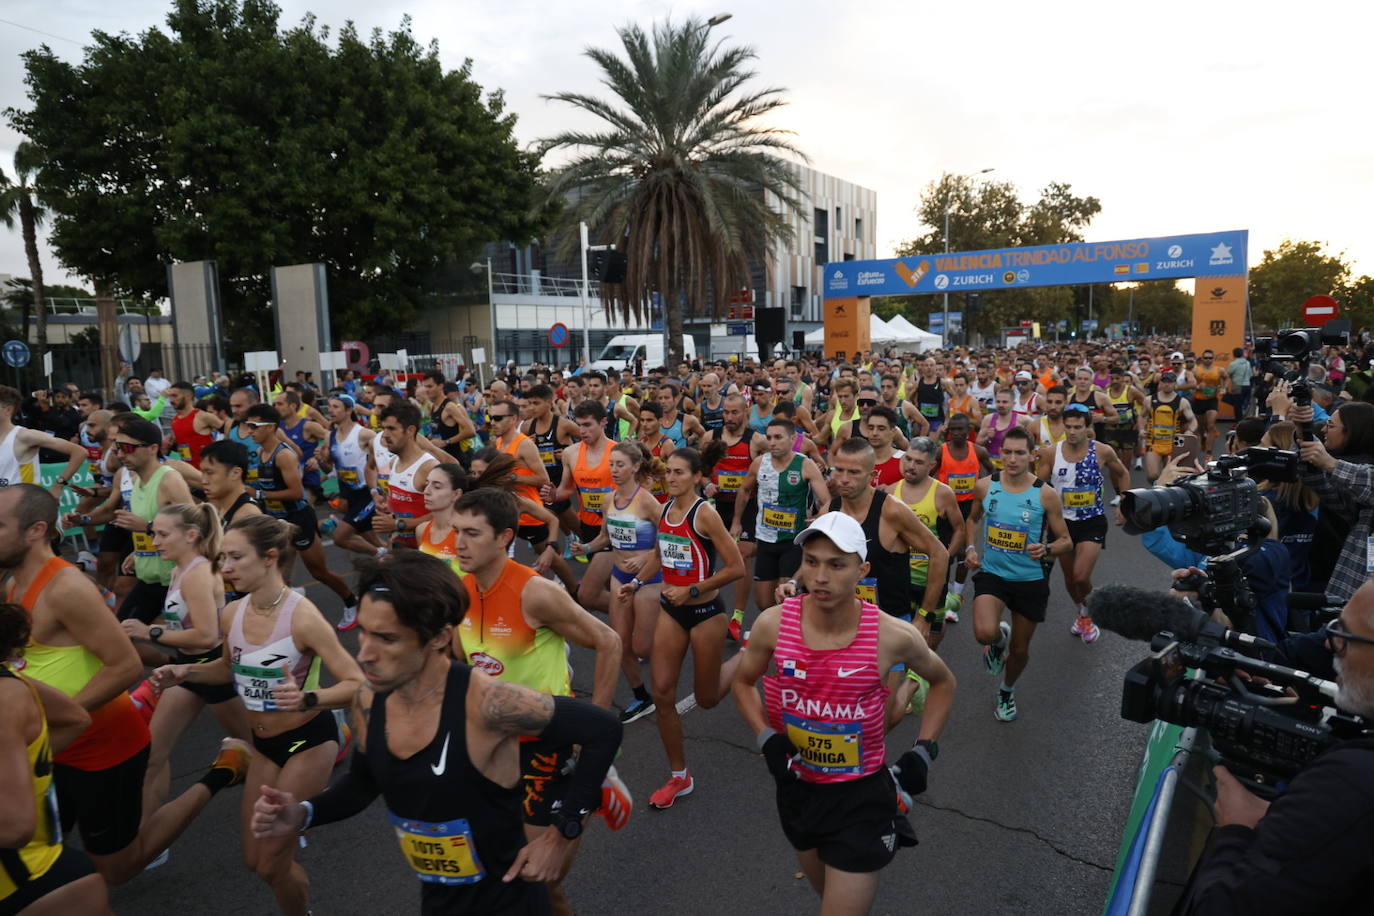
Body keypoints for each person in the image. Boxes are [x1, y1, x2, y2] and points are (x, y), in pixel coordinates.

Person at [250, 551, 624, 916]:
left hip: (510, 903)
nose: (364, 654)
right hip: (439, 902)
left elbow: (602, 729)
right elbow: (362, 785)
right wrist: (303, 813)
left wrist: (562, 834)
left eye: (387, 638)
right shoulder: (368, 701)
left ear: (439, 638)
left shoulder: (486, 702)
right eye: (364, 633)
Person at [1, 485, 249, 886]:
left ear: (35, 531)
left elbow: (124, 665)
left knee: (118, 868)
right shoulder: (13, 585)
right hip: (55, 747)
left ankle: (224, 771)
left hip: (103, 748)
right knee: (32, 843)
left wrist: (62, 718)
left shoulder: (66, 588)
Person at [731, 512, 956, 916]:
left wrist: (925, 749)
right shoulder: (773, 624)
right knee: (827, 898)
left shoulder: (891, 635)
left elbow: (943, 683)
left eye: (836, 565)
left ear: (862, 570)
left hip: (861, 797)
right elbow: (743, 682)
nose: (820, 576)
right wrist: (765, 736)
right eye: (812, 562)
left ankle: (896, 778)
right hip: (797, 790)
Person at [154, 514, 364, 915]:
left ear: (269, 558)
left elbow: (356, 684)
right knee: (255, 860)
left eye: (236, 558)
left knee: (272, 864)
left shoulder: (303, 617)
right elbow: (225, 668)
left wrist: (308, 699)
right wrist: (186, 671)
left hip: (308, 742)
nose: (226, 568)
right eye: (223, 558)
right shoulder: (232, 614)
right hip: (263, 745)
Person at [452, 489, 624, 916]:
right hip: (492, 748)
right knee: (491, 871)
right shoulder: (459, 590)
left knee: (541, 886)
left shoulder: (535, 592)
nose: (458, 543)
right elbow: (465, 665)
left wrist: (593, 729)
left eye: (472, 534)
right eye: (456, 532)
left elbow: (608, 641)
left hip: (546, 744)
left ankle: (594, 778)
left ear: (504, 537)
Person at [1173, 580, 1374, 914]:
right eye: (1333, 629)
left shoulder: (1350, 783)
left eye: (1345, 636)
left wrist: (1237, 829)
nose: (1331, 645)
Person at [614, 449, 746, 808]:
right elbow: (659, 555)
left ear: (697, 476)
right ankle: (679, 776)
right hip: (672, 611)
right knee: (662, 694)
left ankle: (747, 657)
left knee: (705, 700)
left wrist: (693, 589)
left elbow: (736, 568)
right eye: (668, 472)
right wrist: (637, 584)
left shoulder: (705, 514)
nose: (671, 478)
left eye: (679, 473)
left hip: (705, 612)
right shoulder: (665, 509)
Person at [119, 503, 252, 822]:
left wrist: (150, 631)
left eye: (163, 535)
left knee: (265, 746)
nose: (154, 542)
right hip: (187, 671)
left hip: (215, 671)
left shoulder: (198, 574)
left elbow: (206, 636)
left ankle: (311, 768)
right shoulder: (178, 570)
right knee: (153, 754)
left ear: (191, 535)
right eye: (154, 534)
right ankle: (146, 837)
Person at [0, 602, 110, 914]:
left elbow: (16, 827)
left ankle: (222, 772)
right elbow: (75, 718)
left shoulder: (5, 695)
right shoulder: (10, 681)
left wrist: (22, 764)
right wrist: (25, 765)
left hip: (33, 884)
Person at [964, 427, 1073, 722]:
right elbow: (972, 519)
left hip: (1030, 580)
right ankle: (997, 641)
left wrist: (1046, 549)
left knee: (1021, 650)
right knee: (983, 632)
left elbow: (1066, 541)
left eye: (1019, 453)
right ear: (1001, 454)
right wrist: (971, 547)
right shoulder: (985, 486)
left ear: (1032, 455)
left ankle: (1006, 689)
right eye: (1007, 452)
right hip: (993, 574)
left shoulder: (1045, 495)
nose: (1012, 459)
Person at [242, 404, 358, 620]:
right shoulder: (260, 452)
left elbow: (296, 492)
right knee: (277, 574)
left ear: (270, 427)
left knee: (318, 572)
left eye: (253, 426)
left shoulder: (283, 455)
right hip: (277, 521)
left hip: (298, 520)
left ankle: (351, 602)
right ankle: (287, 618)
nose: (249, 431)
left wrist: (258, 495)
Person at [580, 441, 666, 724]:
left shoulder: (647, 501)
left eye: (620, 465)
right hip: (619, 578)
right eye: (612, 464)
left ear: (635, 467)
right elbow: (605, 537)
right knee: (621, 643)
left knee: (641, 647)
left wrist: (645, 560)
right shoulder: (608, 500)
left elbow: (668, 537)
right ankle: (642, 697)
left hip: (649, 579)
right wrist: (587, 548)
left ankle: (672, 634)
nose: (615, 470)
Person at [1035, 404, 1130, 643]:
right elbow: (1038, 486)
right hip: (1061, 525)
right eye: (1068, 427)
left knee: (1080, 576)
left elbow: (1123, 473)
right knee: (1069, 580)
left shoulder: (1102, 451)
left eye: (1078, 427)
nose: (1072, 432)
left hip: (1092, 521)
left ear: (1088, 427)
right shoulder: (1051, 452)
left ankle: (1091, 610)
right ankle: (1083, 611)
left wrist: (1124, 503)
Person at [731, 418, 831, 623]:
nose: (772, 442)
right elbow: (744, 489)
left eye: (778, 437)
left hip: (793, 542)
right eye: (769, 438)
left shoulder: (805, 464)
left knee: (787, 600)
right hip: (766, 540)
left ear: (793, 438)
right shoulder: (760, 463)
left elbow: (826, 500)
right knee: (763, 602)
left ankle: (792, 643)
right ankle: (780, 633)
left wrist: (818, 520)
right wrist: (736, 521)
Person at [890, 438, 965, 652]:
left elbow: (959, 529)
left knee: (929, 643)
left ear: (932, 465)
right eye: (908, 459)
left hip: (931, 579)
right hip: (900, 579)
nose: (911, 466)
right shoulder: (890, 492)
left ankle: (948, 601)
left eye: (919, 462)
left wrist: (945, 558)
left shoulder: (943, 493)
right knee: (903, 642)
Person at [932, 413, 993, 623]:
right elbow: (929, 472)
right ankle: (944, 593)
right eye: (953, 429)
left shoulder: (978, 451)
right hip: (946, 508)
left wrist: (983, 491)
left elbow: (994, 474)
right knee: (946, 552)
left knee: (963, 553)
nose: (957, 433)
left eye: (961, 429)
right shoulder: (942, 451)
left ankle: (955, 597)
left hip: (968, 507)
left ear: (969, 431)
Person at [374, 400, 438, 552]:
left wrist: (399, 524)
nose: (385, 435)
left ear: (410, 431)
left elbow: (442, 513)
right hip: (401, 548)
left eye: (391, 429)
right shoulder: (394, 462)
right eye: (383, 428)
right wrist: (388, 509)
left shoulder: (429, 467)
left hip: (426, 553)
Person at [0, 385, 86, 496]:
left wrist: (58, 486)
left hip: (24, 508)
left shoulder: (23, 436)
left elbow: (79, 452)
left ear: (8, 410)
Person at [1143, 371, 1197, 483]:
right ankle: (1157, 490)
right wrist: (1141, 429)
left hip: (1173, 443)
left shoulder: (1182, 402)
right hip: (1154, 442)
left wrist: (1189, 431)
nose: (1167, 384)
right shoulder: (1149, 400)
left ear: (1174, 384)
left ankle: (1163, 495)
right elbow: (1141, 416)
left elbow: (1193, 421)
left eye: (1170, 382)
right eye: (1164, 382)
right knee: (1152, 475)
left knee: (1170, 477)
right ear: (1160, 383)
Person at [168, 381, 223, 468]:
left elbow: (228, 431)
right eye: (170, 396)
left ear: (188, 396)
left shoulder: (202, 416)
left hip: (206, 472)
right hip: (188, 472)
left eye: (175, 396)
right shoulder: (175, 419)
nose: (171, 400)